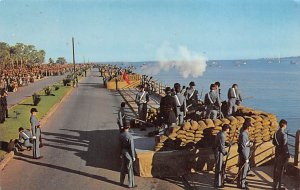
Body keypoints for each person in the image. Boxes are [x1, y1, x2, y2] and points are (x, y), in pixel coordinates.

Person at [273, 119, 290, 190]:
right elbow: (285, 146)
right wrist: (287, 154)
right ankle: (278, 186)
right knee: (280, 170)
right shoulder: (284, 134)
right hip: (282, 154)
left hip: (277, 152)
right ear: (284, 125)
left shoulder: (276, 133)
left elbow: (273, 142)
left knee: (276, 169)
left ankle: (275, 185)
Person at [119, 122, 137, 188]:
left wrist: (120, 153)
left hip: (123, 151)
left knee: (123, 168)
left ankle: (121, 182)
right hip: (128, 153)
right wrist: (133, 156)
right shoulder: (130, 136)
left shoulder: (121, 135)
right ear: (129, 127)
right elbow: (131, 147)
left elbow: (120, 145)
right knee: (130, 168)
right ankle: (131, 184)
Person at [237, 121, 253, 189]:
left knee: (244, 170)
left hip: (245, 153)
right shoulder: (244, 134)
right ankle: (241, 185)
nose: (250, 128)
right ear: (248, 127)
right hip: (244, 154)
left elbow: (246, 143)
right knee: (243, 170)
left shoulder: (245, 133)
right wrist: (246, 158)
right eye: (250, 126)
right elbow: (243, 147)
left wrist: (250, 143)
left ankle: (242, 183)